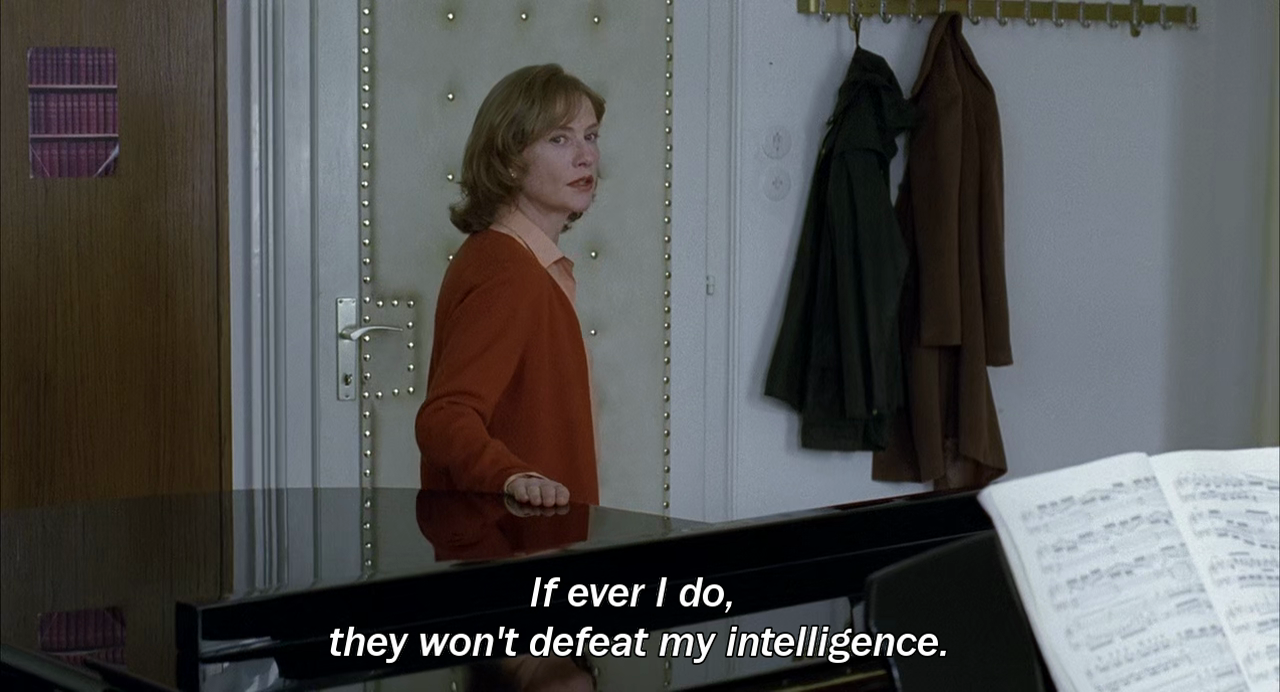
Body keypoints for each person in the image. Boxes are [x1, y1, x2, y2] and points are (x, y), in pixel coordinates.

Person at [416, 64, 604, 507]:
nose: (586, 157)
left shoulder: (504, 256)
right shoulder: (510, 272)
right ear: (509, 162)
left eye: (591, 136)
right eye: (559, 139)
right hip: (519, 536)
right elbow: (444, 417)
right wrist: (511, 476)